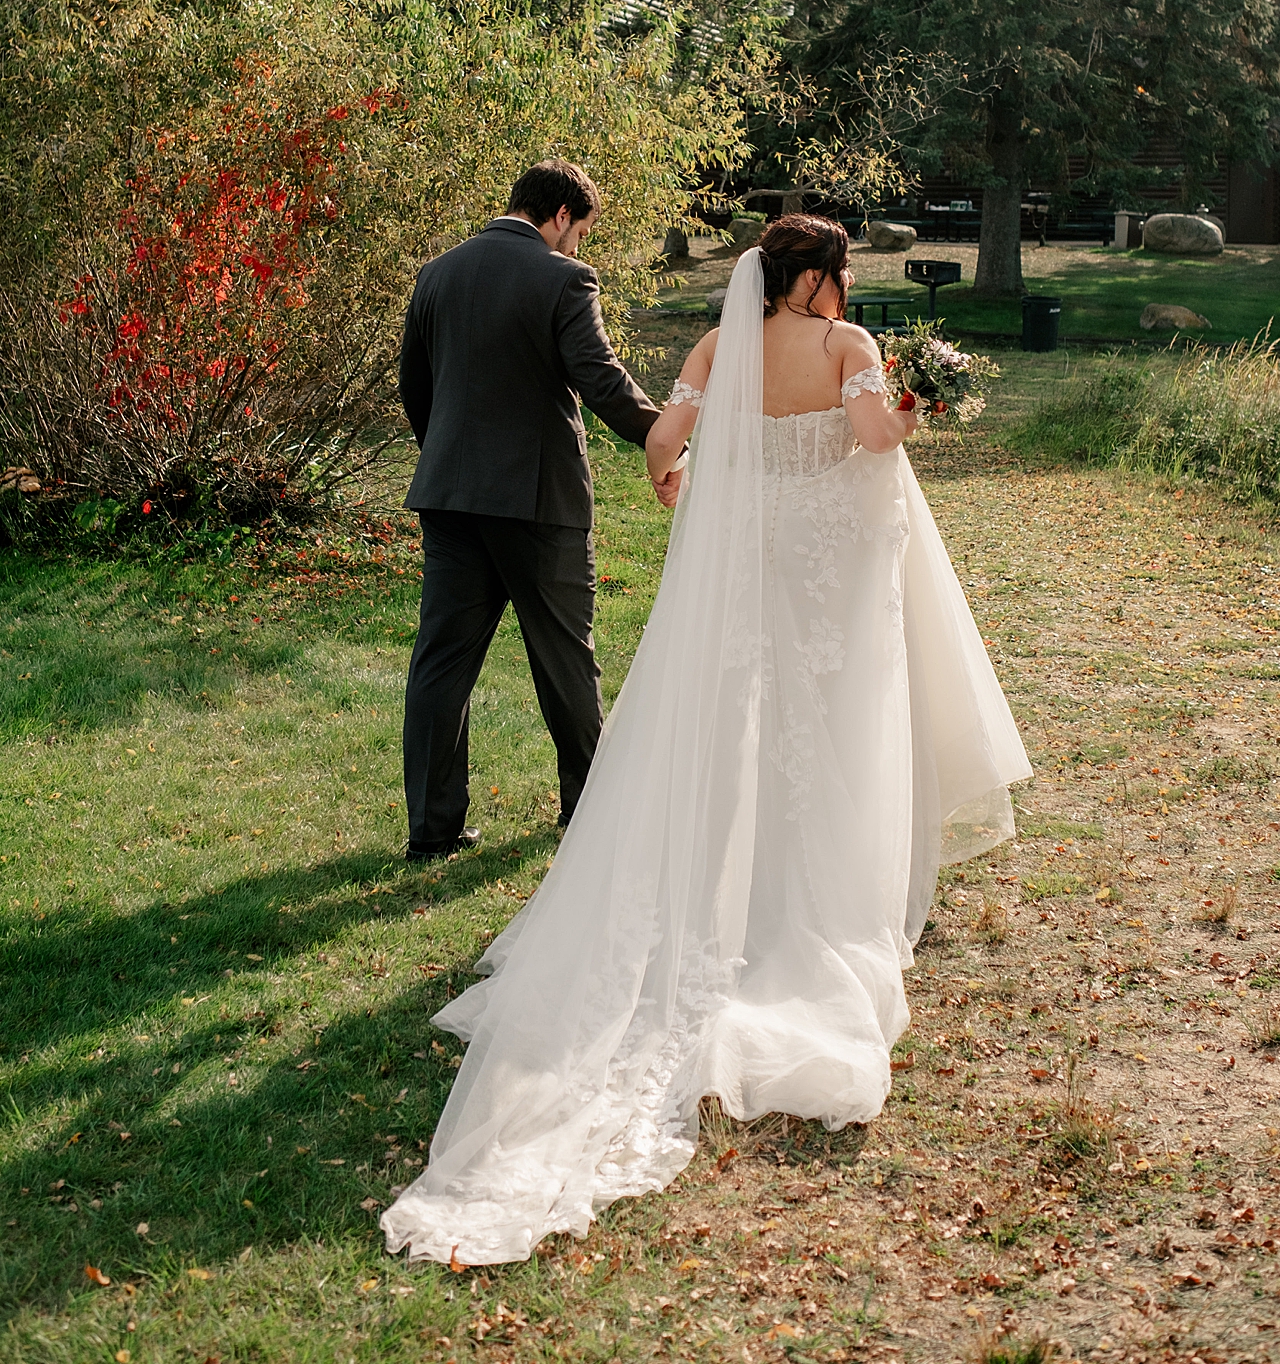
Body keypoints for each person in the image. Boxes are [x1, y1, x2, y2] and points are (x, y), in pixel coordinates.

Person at [382, 214, 1031, 1263]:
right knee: (826, 726)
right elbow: (871, 441)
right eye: (842, 269)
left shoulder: (719, 346)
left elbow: (662, 439)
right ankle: (810, 896)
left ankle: (719, 885)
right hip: (830, 573)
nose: (848, 282)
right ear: (817, 276)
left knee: (739, 720)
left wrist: (675, 480)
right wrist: (917, 404)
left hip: (747, 570)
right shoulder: (848, 347)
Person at [397, 159, 662, 861]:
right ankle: (588, 813)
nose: (576, 247)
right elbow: (599, 379)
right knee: (564, 660)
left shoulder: (437, 273)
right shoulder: (562, 278)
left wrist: (451, 461)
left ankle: (433, 830)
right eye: (579, 233)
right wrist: (666, 435)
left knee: (441, 664)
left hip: (450, 496)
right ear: (563, 216)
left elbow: (414, 387)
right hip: (538, 499)